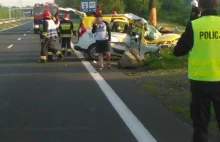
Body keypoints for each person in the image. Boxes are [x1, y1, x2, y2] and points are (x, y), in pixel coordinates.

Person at [173, 0, 220, 141]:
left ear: (199, 6)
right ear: (216, 4)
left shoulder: (194, 25)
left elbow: (178, 51)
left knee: (201, 127)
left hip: (199, 82)